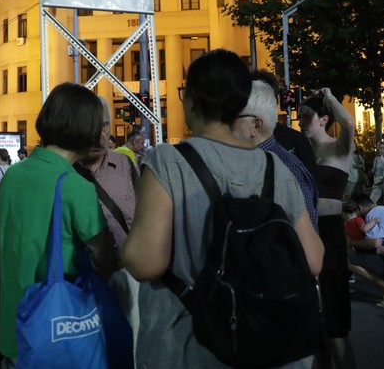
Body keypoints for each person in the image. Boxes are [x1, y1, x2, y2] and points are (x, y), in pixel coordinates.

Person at [122, 49, 323, 368]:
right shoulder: (275, 167)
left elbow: (145, 263)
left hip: (190, 346)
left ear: (190, 100)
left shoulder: (168, 162)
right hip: (270, 344)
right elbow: (313, 261)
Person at [0, 82, 116, 362]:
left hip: (13, 328)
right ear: (88, 129)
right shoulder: (76, 187)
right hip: (57, 332)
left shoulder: (13, 175)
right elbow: (103, 261)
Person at [74, 95, 140, 349]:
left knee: (130, 346)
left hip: (127, 277)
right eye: (89, 124)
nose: (97, 134)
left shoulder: (124, 164)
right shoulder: (64, 172)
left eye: (102, 125)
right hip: (83, 285)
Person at [298, 88, 357, 369]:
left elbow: (349, 123)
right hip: (307, 229)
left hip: (330, 231)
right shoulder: (302, 152)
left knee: (334, 326)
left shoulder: (340, 146)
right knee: (313, 326)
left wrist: (331, 97)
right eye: (299, 117)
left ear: (324, 119)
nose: (301, 122)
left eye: (307, 116)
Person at [233, 74, 319, 231]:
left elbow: (308, 237)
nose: (229, 122)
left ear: (255, 125)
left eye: (236, 116)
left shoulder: (288, 169)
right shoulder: (246, 160)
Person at [341, 200, 384, 272]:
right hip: (366, 245)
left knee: (351, 258)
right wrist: (374, 221)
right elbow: (364, 228)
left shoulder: (345, 224)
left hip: (357, 247)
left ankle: (351, 273)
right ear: (354, 212)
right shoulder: (357, 220)